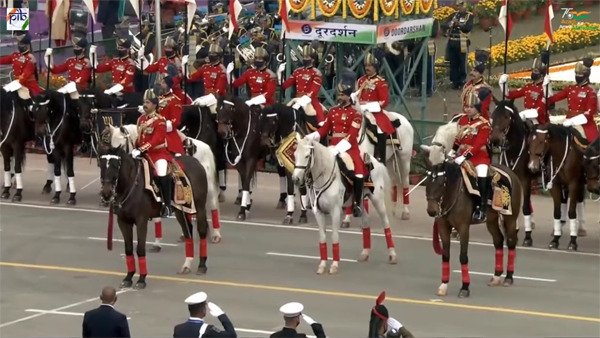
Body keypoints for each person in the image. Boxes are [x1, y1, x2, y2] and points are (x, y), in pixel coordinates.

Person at [305, 80, 365, 217]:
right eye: (339, 94)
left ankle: (356, 204)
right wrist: (309, 137)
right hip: (332, 146)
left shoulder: (356, 114)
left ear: (349, 96)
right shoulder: (333, 111)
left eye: (343, 95)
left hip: (349, 149)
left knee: (358, 173)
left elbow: (351, 136)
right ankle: (313, 197)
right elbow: (323, 130)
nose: (340, 97)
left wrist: (337, 149)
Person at [452, 89, 492, 224]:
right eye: (466, 107)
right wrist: (453, 151)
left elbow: (478, 144)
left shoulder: (484, 124)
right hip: (462, 156)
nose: (468, 109)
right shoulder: (463, 120)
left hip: (479, 157)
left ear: (477, 108)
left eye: (471, 107)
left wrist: (464, 156)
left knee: (481, 175)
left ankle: (481, 207)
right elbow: (458, 139)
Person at [131, 89, 174, 217]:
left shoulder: (160, 120)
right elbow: (138, 137)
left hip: (158, 154)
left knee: (161, 172)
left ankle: (167, 205)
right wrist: (135, 147)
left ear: (155, 105)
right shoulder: (141, 119)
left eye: (148, 102)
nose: (145, 105)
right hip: (143, 153)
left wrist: (141, 149)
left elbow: (157, 139)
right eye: (144, 102)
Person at [547, 57, 599, 143]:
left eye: (580, 75)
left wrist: (574, 121)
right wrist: (546, 86)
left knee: (593, 145)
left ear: (586, 76)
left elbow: (590, 112)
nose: (577, 77)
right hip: (569, 119)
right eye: (576, 74)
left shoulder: (590, 91)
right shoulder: (570, 88)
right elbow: (554, 98)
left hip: (584, 122)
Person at [355, 52, 394, 163]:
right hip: (360, 111)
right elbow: (357, 95)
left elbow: (384, 101)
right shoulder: (361, 80)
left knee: (380, 131)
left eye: (370, 66)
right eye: (366, 65)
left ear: (375, 67)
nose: (367, 68)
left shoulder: (381, 83)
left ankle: (381, 158)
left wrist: (368, 106)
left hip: (374, 113)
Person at [499, 51, 550, 124]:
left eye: (535, 71)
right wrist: (503, 84)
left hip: (539, 119)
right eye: (533, 71)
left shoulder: (544, 89)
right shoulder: (528, 87)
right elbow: (509, 95)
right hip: (526, 116)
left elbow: (541, 110)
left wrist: (526, 114)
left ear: (541, 75)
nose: (533, 73)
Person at [281, 45, 325, 124]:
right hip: (297, 98)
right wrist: (280, 73)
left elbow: (314, 90)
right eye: (304, 57)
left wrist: (304, 99)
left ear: (312, 59)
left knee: (320, 117)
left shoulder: (316, 73)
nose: (305, 59)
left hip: (310, 99)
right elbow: (285, 85)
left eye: (307, 57)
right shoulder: (298, 71)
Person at [141, 36, 190, 103]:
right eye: (166, 47)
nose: (167, 49)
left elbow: (180, 77)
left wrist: (168, 84)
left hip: (175, 91)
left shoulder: (179, 61)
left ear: (174, 49)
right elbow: (149, 69)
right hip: (162, 91)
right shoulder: (162, 60)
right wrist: (142, 58)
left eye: (169, 48)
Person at [0, 32, 42, 98]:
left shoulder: (30, 59)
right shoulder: (15, 55)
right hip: (17, 83)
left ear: (27, 45)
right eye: (20, 43)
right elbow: (3, 60)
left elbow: (26, 74)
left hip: (28, 85)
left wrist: (16, 83)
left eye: (22, 44)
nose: (20, 45)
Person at [442, 0, 473, 89]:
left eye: (461, 6)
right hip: (452, 41)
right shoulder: (453, 15)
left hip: (462, 41)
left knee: (462, 62)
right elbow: (444, 24)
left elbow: (468, 27)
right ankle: (454, 81)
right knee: (453, 62)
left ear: (465, 6)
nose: (459, 8)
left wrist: (458, 24)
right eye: (458, 6)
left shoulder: (469, 16)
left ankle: (462, 81)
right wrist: (450, 24)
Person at [461, 49, 492, 119]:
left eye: (475, 71)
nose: (471, 73)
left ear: (481, 74)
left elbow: (484, 109)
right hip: (467, 115)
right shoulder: (467, 85)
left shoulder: (485, 89)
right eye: (471, 70)